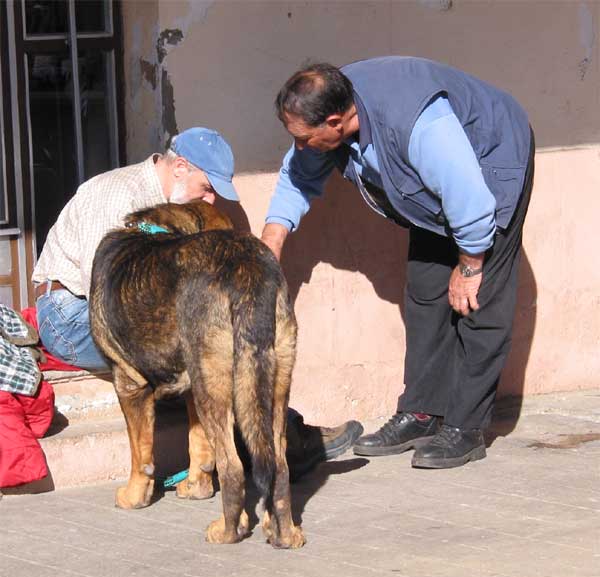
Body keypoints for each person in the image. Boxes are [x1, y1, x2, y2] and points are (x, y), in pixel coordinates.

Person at [32, 126, 363, 479]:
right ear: (179, 168)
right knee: (211, 348)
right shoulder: (116, 195)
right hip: (71, 316)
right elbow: (105, 296)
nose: (210, 202)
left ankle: (269, 442)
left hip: (122, 313)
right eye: (206, 189)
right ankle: (283, 442)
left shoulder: (172, 208)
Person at [261, 57, 535, 469]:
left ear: (336, 122)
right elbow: (297, 176)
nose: (300, 146)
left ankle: (465, 427)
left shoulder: (418, 123)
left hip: (488, 170)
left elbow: (469, 198)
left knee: (478, 304)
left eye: (304, 138)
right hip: (429, 194)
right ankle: (422, 412)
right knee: (426, 294)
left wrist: (470, 264)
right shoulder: (329, 109)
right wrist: (271, 240)